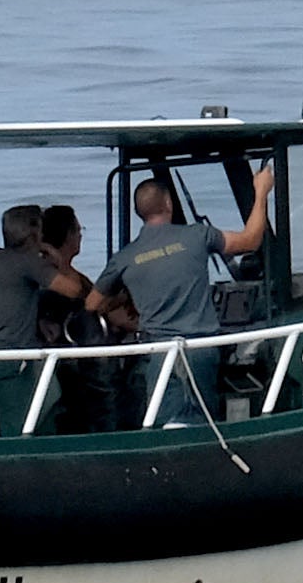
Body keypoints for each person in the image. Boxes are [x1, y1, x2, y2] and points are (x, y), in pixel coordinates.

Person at [92, 163, 276, 424]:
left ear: (137, 213)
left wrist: (127, 302)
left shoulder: (124, 258)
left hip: (157, 351)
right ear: (168, 203)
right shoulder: (197, 236)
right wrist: (261, 193)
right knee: (201, 419)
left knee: (166, 420)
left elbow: (93, 304)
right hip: (200, 349)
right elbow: (251, 240)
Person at [0, 201, 101, 438]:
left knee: (49, 404)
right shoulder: (27, 260)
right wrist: (56, 258)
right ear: (34, 234)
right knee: (20, 431)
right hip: (12, 363)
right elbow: (73, 290)